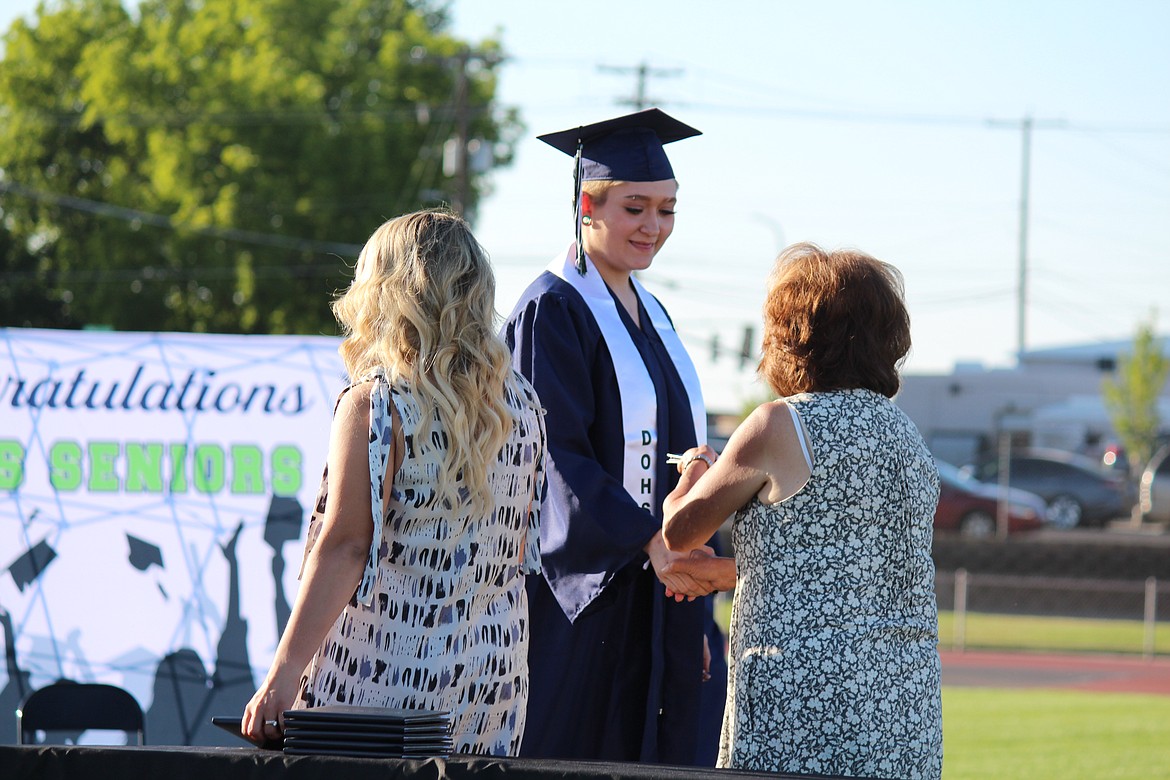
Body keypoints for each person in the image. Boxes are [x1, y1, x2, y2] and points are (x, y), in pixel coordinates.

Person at [243, 210, 546, 756]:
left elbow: (345, 546)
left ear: (383, 292)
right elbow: (519, 550)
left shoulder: (378, 405)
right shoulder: (522, 406)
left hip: (385, 680)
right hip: (489, 683)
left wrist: (282, 675)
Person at [662, 242, 944, 779]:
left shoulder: (779, 424)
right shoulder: (907, 438)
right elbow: (844, 570)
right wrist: (726, 577)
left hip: (801, 700)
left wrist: (696, 467)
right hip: (904, 706)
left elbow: (680, 531)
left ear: (792, 338)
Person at [501, 108, 724, 765]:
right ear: (587, 205)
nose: (653, 227)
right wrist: (647, 540)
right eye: (635, 208)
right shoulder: (552, 307)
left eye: (667, 210)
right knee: (578, 752)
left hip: (665, 588)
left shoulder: (653, 312)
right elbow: (552, 454)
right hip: (587, 593)